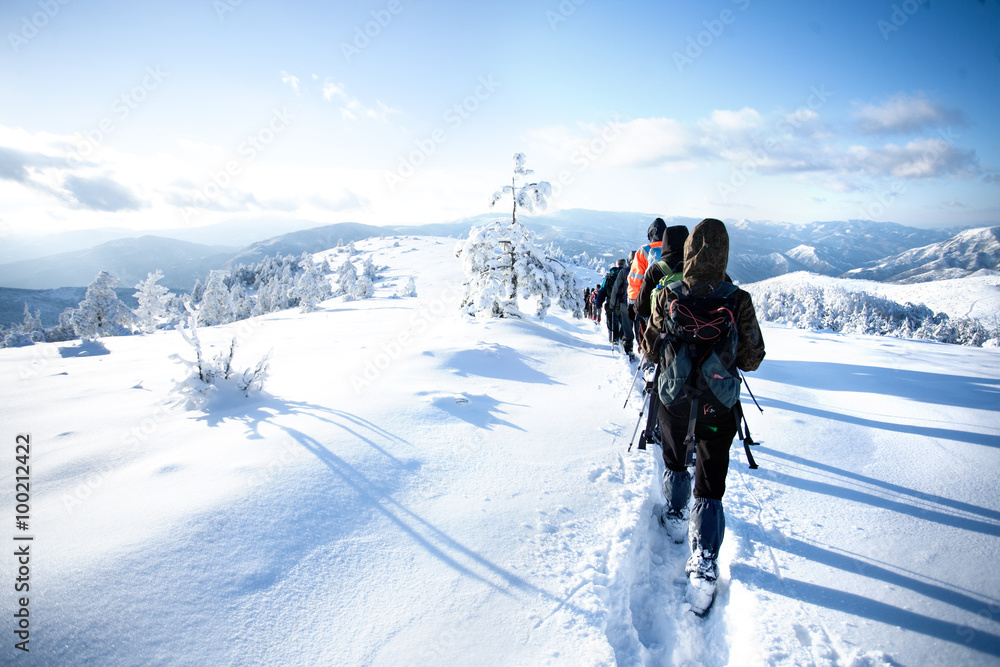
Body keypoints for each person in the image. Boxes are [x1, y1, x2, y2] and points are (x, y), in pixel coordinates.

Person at [642, 218, 765, 606]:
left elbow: (648, 347)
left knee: (676, 458)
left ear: (690, 251)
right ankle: (704, 564)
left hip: (674, 399)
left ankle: (676, 515)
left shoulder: (668, 293)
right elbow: (752, 357)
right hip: (718, 406)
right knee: (711, 479)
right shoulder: (738, 299)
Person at [627, 218, 667, 346]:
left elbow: (635, 280)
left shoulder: (644, 250)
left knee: (647, 338)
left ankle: (648, 362)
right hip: (672, 301)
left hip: (649, 302)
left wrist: (632, 305)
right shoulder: (674, 248)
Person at [612, 252, 635, 359]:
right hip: (640, 303)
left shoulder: (624, 272)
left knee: (627, 327)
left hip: (625, 303)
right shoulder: (643, 270)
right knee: (639, 326)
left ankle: (628, 348)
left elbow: (615, 289)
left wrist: (612, 304)